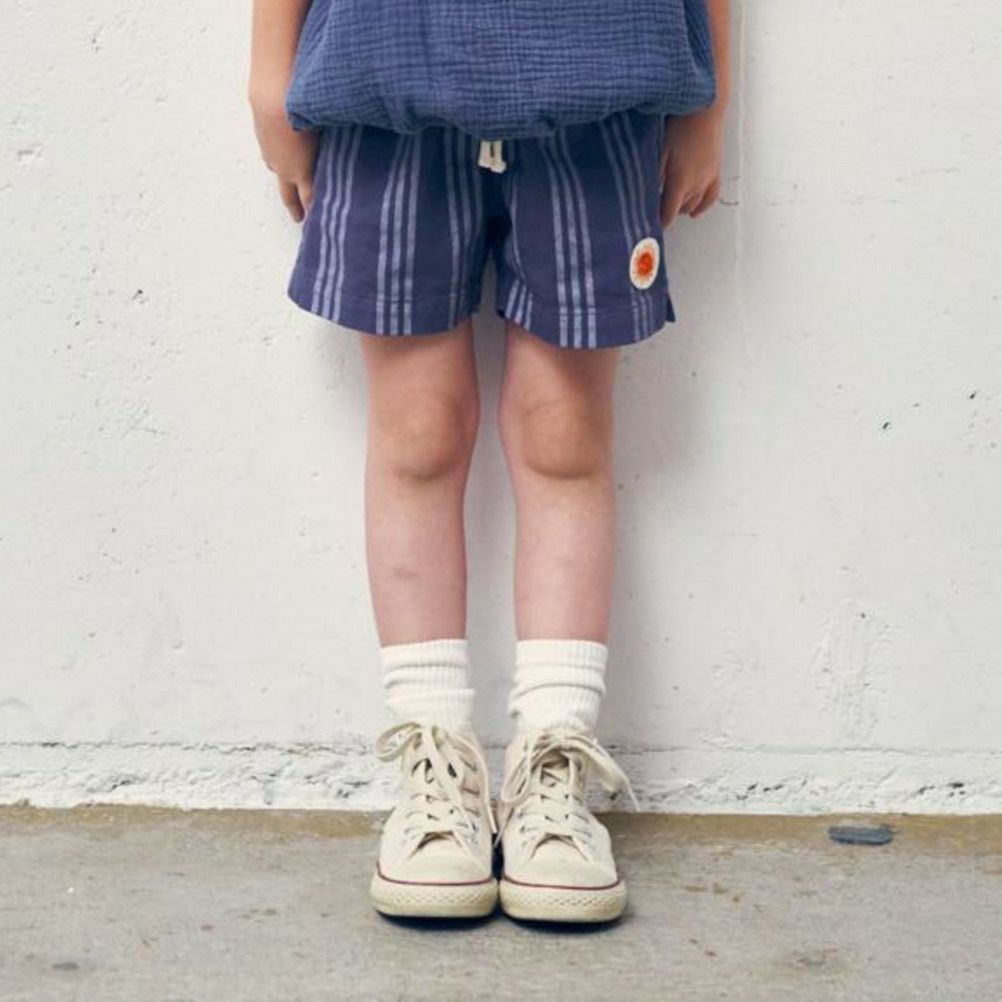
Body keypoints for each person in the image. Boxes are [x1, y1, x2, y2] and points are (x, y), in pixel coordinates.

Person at [249, 0, 730, 923]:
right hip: (384, 85)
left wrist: (709, 100)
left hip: (600, 90)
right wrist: (272, 76)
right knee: (417, 434)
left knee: (563, 436)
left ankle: (554, 764)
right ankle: (434, 764)